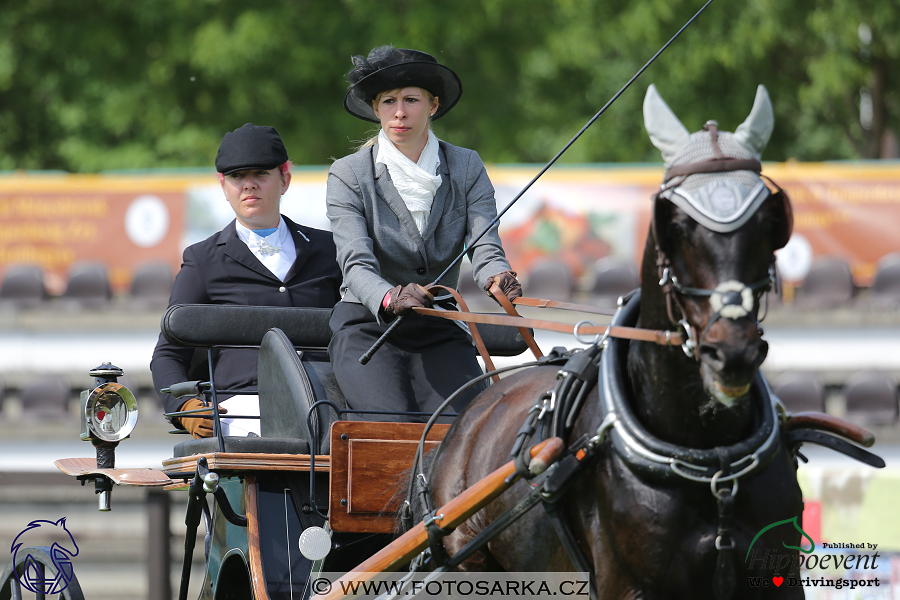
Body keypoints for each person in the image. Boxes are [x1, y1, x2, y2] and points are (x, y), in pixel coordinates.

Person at [326, 46, 522, 423]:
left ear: (433, 105)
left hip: (439, 326)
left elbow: (484, 245)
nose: (399, 112)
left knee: (463, 431)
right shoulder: (348, 175)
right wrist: (388, 296)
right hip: (368, 329)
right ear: (376, 108)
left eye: (411, 100)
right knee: (392, 431)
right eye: (389, 101)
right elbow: (354, 262)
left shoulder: (467, 166)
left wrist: (498, 276)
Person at [151, 123, 342, 438]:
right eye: (238, 177)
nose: (249, 185)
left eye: (261, 175)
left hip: (327, 406)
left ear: (285, 179)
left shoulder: (330, 249)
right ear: (224, 186)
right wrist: (184, 405)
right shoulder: (203, 260)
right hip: (242, 412)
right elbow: (168, 354)